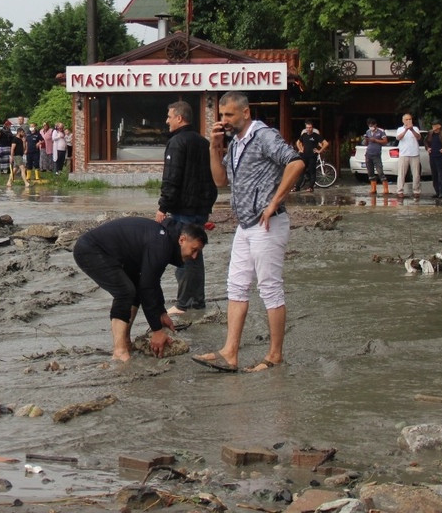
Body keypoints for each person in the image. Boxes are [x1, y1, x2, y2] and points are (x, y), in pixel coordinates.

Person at [192, 91, 303, 374]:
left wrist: (274, 202)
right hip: (245, 225)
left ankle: (275, 355)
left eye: (229, 115)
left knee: (269, 288)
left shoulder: (264, 135)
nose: (224, 121)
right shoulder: (237, 144)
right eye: (221, 115)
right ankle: (230, 352)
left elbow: (296, 162)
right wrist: (214, 148)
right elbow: (220, 180)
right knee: (236, 286)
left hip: (269, 223)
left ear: (245, 112)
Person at [72, 216, 207, 362]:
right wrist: (157, 330)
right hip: (90, 250)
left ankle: (126, 342)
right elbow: (147, 287)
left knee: (134, 290)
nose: (194, 256)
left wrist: (161, 312)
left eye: (198, 252)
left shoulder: (165, 241)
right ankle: (119, 351)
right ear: (182, 240)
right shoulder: (161, 245)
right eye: (194, 250)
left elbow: (153, 282)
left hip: (114, 253)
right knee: (125, 292)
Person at [156, 101, 218, 316]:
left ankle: (183, 304)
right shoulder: (203, 142)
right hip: (201, 207)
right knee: (195, 254)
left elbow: (171, 178)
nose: (167, 120)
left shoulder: (176, 143)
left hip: (184, 208)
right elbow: (212, 177)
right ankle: (198, 302)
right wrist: (208, 203)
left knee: (184, 254)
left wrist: (163, 207)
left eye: (169, 116)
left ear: (179, 118)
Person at [293, 119, 327, 192]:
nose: (309, 129)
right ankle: (297, 187)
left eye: (310, 127)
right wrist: (301, 149)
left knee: (312, 172)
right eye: (307, 127)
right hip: (304, 156)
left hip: (312, 156)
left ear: (312, 127)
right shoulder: (304, 135)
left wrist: (319, 151)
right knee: (301, 172)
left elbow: (326, 143)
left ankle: (311, 187)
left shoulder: (316, 135)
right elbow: (298, 142)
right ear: (305, 128)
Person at [394, 113, 422, 199]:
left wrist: (412, 129)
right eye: (407, 119)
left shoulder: (416, 128)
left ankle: (416, 191)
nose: (409, 121)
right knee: (401, 174)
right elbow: (398, 138)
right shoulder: (400, 129)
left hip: (414, 154)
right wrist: (406, 130)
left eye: (410, 119)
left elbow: (419, 137)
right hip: (404, 154)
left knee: (416, 174)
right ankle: (400, 191)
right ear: (403, 121)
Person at [364, 119, 388, 195]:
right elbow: (366, 143)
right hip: (368, 153)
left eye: (372, 125)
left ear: (375, 125)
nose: (371, 127)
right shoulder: (367, 132)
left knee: (380, 171)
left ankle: (385, 189)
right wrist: (366, 140)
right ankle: (373, 188)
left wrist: (375, 140)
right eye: (369, 125)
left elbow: (385, 141)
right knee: (370, 172)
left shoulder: (381, 131)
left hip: (377, 154)